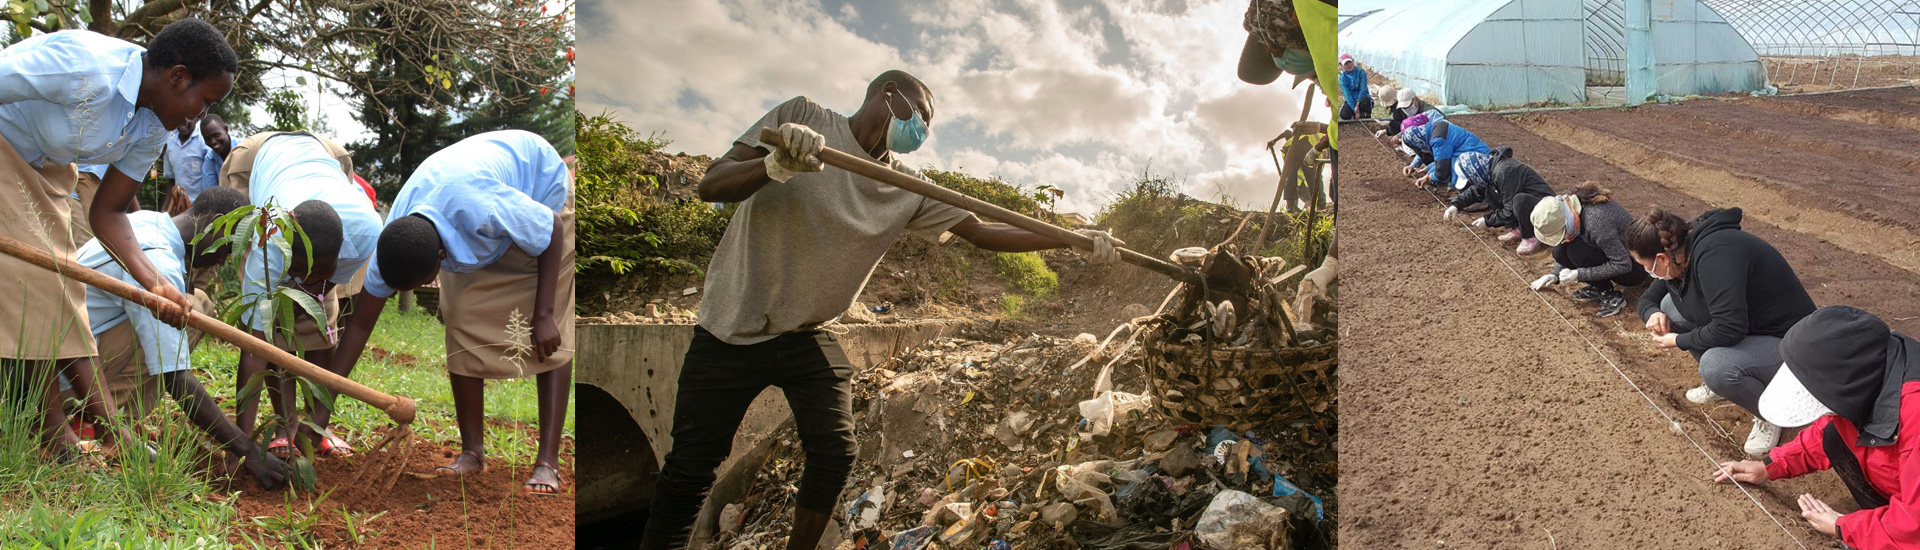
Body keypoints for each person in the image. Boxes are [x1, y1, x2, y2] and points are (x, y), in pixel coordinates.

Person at [640, 70, 1125, 550]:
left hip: (807, 332)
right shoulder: (804, 118)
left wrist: (1074, 241)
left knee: (834, 452)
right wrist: (775, 166)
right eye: (921, 116)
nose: (923, 131)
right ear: (889, 94)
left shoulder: (905, 186)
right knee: (690, 469)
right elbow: (712, 185)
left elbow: (983, 232)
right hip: (730, 329)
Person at [0, 19, 237, 457]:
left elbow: (108, 213)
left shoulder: (153, 127)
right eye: (205, 101)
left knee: (62, 284)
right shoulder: (81, 67)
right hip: (4, 146)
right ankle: (57, 436)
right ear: (178, 75)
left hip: (49, 169)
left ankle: (75, 429)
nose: (201, 116)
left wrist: (156, 285)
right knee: (38, 280)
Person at [330, 130, 574, 495]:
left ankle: (547, 462)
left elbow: (550, 230)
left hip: (538, 193)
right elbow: (360, 326)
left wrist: (542, 315)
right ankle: (473, 453)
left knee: (551, 331)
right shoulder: (394, 243)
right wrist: (319, 411)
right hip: (475, 212)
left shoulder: (478, 205)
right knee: (459, 316)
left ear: (441, 257)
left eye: (422, 282)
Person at [60, 186, 289, 489]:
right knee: (189, 318)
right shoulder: (159, 260)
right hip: (64, 376)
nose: (222, 261)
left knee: (197, 305)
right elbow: (176, 379)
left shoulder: (146, 220)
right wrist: (247, 450)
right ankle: (95, 422)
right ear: (216, 224)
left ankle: (108, 413)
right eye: (226, 246)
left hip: (62, 358)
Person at [219, 132, 381, 459]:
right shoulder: (269, 246)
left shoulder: (367, 234)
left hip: (325, 153)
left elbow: (326, 305)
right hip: (255, 159)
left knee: (322, 318)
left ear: (339, 254)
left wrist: (318, 420)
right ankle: (286, 423)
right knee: (273, 323)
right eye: (299, 271)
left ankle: (317, 427)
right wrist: (242, 445)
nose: (307, 281)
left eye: (321, 271)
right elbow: (254, 348)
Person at [1715, 305, 1920, 547]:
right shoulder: (1875, 366)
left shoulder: (1914, 416)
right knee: (1833, 436)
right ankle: (1881, 524)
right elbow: (1825, 430)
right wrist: (1770, 466)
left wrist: (1844, 526)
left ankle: (1884, 534)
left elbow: (1915, 526)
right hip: (1904, 494)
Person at [1630, 207, 1816, 456]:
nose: (1648, 272)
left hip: (1791, 342)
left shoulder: (1715, 256)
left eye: (1646, 266)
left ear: (1662, 259)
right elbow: (1649, 300)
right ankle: (1718, 386)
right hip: (1753, 329)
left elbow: (1729, 328)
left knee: (1716, 366)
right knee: (1667, 306)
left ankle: (1769, 414)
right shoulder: (1680, 254)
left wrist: (1680, 340)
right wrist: (1652, 314)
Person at [1526, 183, 1648, 317]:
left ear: (1566, 222)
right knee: (1559, 251)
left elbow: (1623, 264)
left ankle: (1609, 294)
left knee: (1577, 250)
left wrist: (1580, 274)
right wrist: (1554, 274)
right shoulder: (1573, 211)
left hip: (1635, 268)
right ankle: (1598, 286)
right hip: (1614, 258)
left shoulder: (1596, 222)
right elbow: (1565, 251)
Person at [1443, 146, 1554, 254]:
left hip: (1546, 209)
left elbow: (1509, 210)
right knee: (1491, 193)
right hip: (1531, 207)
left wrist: (1487, 221)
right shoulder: (1489, 171)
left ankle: (1530, 236)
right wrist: (1456, 205)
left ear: (1475, 173)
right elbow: (1477, 190)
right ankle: (1519, 228)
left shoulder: (1505, 172)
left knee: (1519, 201)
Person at [1399, 118, 1489, 192]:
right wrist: (1414, 165)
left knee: (1455, 168)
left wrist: (1428, 177)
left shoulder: (1438, 141)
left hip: (1477, 162)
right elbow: (1439, 157)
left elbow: (1442, 170)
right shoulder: (1432, 130)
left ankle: (1470, 196)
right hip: (1474, 153)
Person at [161, 119, 215, 214]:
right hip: (180, 209)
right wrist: (164, 209)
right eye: (181, 117)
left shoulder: (204, 141)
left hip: (202, 209)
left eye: (189, 118)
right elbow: (171, 180)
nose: (183, 123)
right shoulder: (169, 142)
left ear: (196, 118)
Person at [1337, 53, 1371, 120]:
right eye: (1346, 64)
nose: (1348, 65)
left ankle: (1365, 113)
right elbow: (1347, 94)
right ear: (1342, 65)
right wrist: (1354, 108)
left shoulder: (1361, 72)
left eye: (1349, 62)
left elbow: (1363, 89)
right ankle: (1357, 113)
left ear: (1353, 61)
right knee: (1344, 115)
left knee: (1365, 101)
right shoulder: (1342, 78)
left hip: (1362, 98)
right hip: (1352, 99)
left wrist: (1357, 105)